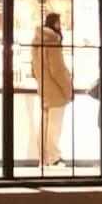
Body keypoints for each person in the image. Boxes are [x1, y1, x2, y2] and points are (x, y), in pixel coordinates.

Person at [34, 10, 74, 169]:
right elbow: (57, 70)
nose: (60, 25)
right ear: (54, 23)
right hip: (55, 90)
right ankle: (53, 157)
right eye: (59, 22)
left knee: (45, 123)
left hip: (44, 87)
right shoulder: (52, 41)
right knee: (54, 125)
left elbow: (35, 67)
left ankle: (43, 157)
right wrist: (67, 88)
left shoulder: (37, 40)